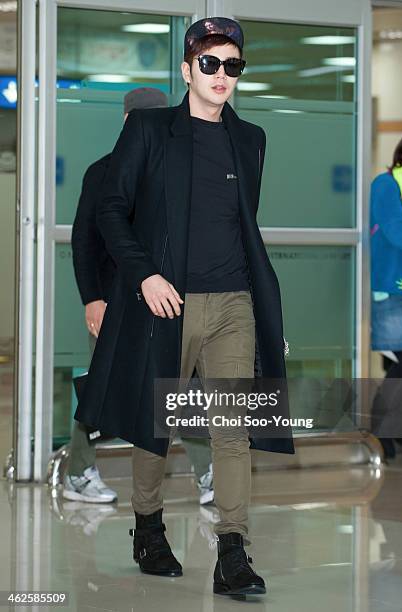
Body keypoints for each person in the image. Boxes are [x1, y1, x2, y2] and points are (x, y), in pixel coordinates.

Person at [75, 17, 294, 597]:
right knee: (157, 426)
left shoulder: (250, 140)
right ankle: (147, 528)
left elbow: (241, 226)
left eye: (233, 65)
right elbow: (110, 211)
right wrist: (143, 274)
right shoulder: (149, 130)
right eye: (210, 64)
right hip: (164, 303)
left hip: (233, 303)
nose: (222, 75)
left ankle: (232, 550)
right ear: (187, 70)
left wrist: (266, 309)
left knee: (232, 428)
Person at [67, 87, 214, 504]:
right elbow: (85, 242)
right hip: (116, 301)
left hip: (169, 300)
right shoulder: (103, 172)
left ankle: (207, 474)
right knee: (105, 386)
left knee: (182, 385)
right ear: (127, 122)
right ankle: (78, 472)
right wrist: (92, 298)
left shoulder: (180, 169)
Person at [370, 134, 402, 460]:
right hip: (393, 288)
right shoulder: (386, 184)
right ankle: (379, 428)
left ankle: (391, 430)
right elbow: (396, 232)